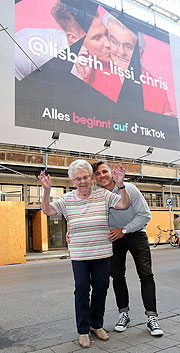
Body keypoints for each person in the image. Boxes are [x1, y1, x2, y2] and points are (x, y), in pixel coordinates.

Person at [40, 160, 130, 349]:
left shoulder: (103, 194)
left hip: (102, 252)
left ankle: (96, 325)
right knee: (82, 289)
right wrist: (46, 190)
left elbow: (123, 204)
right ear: (72, 181)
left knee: (101, 288)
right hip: (80, 253)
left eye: (86, 177)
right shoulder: (67, 199)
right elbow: (47, 210)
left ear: (91, 177)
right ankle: (83, 330)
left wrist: (120, 184)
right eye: (78, 178)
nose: (83, 181)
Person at [92, 160, 164, 337]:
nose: (102, 176)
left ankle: (152, 318)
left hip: (135, 233)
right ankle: (124, 314)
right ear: (94, 178)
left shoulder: (129, 188)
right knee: (117, 276)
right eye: (97, 174)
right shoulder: (96, 196)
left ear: (110, 172)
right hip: (113, 237)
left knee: (146, 274)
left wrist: (124, 230)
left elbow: (145, 215)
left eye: (104, 171)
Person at [15, 0, 85, 80]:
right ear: (73, 38)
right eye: (97, 37)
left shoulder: (87, 60)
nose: (103, 43)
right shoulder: (27, 47)